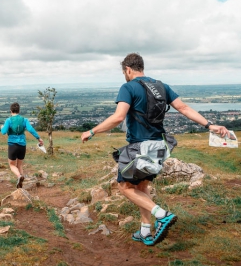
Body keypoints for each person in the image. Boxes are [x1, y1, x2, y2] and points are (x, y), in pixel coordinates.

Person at [81, 53, 230, 246]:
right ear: (141, 67)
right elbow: (183, 108)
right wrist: (210, 125)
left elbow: (118, 117)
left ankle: (162, 215)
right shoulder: (161, 86)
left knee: (124, 187)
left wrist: (91, 132)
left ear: (127, 70)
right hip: (159, 146)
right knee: (142, 187)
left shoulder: (128, 87)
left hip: (139, 147)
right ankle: (145, 232)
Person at [1, 102, 44, 189]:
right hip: (22, 145)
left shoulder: (8, 120)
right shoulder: (24, 120)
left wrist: (2, 127)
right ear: (19, 110)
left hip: (12, 145)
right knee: (19, 165)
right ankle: (21, 186)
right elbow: (31, 129)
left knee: (12, 165)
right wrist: (39, 138)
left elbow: (3, 132)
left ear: (11, 111)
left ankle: (19, 177)